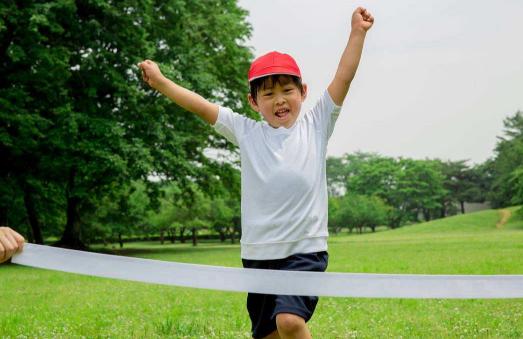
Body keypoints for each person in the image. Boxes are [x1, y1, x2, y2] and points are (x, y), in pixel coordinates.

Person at [2, 6, 373, 339]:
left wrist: (356, 33)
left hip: (304, 251)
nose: (279, 100)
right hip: (258, 254)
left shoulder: (316, 125)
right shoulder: (246, 131)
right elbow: (202, 107)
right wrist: (162, 83)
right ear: (253, 101)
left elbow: (343, 77)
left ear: (303, 92)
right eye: (269, 93)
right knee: (270, 335)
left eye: (287, 90)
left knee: (290, 322)